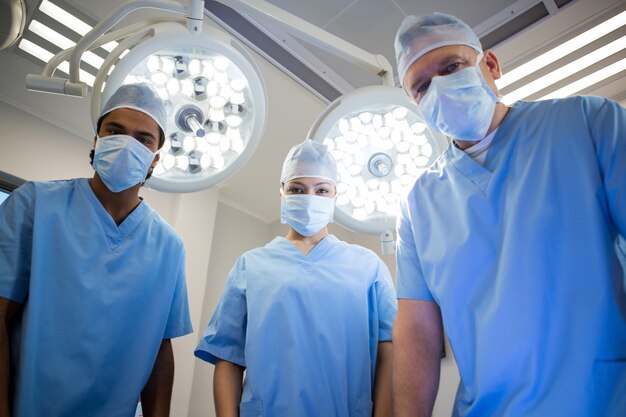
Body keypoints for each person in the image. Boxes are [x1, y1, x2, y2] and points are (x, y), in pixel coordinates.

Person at [391, 12, 626, 417]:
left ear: (491, 65)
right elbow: (417, 334)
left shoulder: (589, 123)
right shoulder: (418, 206)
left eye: (452, 67)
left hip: (601, 400)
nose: (440, 89)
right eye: (422, 86)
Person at [0, 83, 193, 417]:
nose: (126, 145)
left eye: (142, 139)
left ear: (155, 160)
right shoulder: (35, 205)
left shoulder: (169, 247)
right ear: (96, 141)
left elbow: (161, 352)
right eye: (115, 131)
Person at [195, 139, 398, 417]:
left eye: (321, 190)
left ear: (335, 196)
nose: (309, 197)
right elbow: (228, 358)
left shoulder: (368, 268)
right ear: (282, 194)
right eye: (297, 189)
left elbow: (390, 353)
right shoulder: (251, 265)